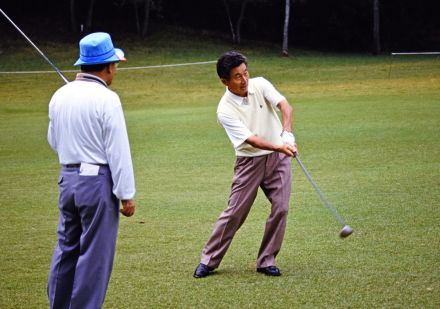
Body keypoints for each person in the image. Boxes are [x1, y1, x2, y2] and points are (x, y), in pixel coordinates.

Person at [47, 32, 136, 308]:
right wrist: (126, 194)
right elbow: (118, 150)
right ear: (109, 66)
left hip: (68, 180)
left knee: (66, 248)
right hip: (96, 183)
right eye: (115, 65)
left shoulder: (59, 95)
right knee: (94, 256)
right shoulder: (107, 99)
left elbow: (53, 140)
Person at [194, 51, 298, 278]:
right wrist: (280, 146)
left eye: (245, 73)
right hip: (249, 162)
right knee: (234, 214)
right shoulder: (224, 109)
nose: (244, 80)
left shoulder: (260, 84)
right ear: (225, 81)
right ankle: (209, 260)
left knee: (281, 207)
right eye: (237, 77)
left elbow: (284, 106)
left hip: (277, 160)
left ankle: (266, 260)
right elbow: (250, 139)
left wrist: (287, 132)